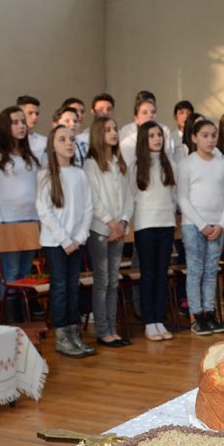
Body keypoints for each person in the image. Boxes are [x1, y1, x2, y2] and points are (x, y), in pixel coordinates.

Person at [37, 124, 95, 357]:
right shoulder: (45, 175)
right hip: (56, 243)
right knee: (60, 287)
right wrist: (64, 240)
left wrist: (79, 237)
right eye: (62, 139)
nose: (69, 143)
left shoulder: (79, 174)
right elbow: (44, 211)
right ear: (52, 146)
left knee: (73, 287)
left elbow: (88, 208)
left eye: (71, 139)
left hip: (76, 242)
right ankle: (62, 337)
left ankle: (74, 333)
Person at [178, 118, 224, 335]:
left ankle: (210, 313)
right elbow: (182, 198)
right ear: (194, 138)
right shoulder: (187, 164)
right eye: (205, 135)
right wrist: (202, 225)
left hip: (216, 226)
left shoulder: (222, 164)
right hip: (194, 226)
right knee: (196, 270)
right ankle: (197, 315)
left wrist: (221, 224)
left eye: (213, 135)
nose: (210, 140)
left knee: (211, 270)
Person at [0, 105, 40, 318]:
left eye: (22, 122)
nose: (21, 126)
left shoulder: (29, 155)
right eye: (15, 122)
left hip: (31, 220)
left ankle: (23, 317)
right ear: (4, 126)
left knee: (25, 273)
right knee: (11, 273)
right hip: (8, 221)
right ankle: (10, 318)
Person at [84, 117, 133, 347]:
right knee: (102, 280)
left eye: (115, 129)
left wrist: (123, 222)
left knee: (114, 281)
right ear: (98, 134)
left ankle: (113, 329)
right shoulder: (91, 164)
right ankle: (103, 331)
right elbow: (93, 198)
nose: (113, 133)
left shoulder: (120, 163)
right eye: (107, 130)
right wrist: (110, 223)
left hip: (118, 230)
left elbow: (128, 195)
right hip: (101, 230)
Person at [130, 121, 178, 341]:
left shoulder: (170, 164)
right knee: (148, 274)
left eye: (159, 135)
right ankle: (149, 321)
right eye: (151, 136)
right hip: (145, 225)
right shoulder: (136, 166)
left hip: (166, 224)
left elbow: (174, 196)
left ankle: (160, 319)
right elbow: (132, 196)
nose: (157, 139)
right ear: (143, 139)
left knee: (161, 273)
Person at [17, 95, 46, 159]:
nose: (35, 117)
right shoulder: (10, 142)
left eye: (37, 114)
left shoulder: (44, 142)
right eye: (30, 113)